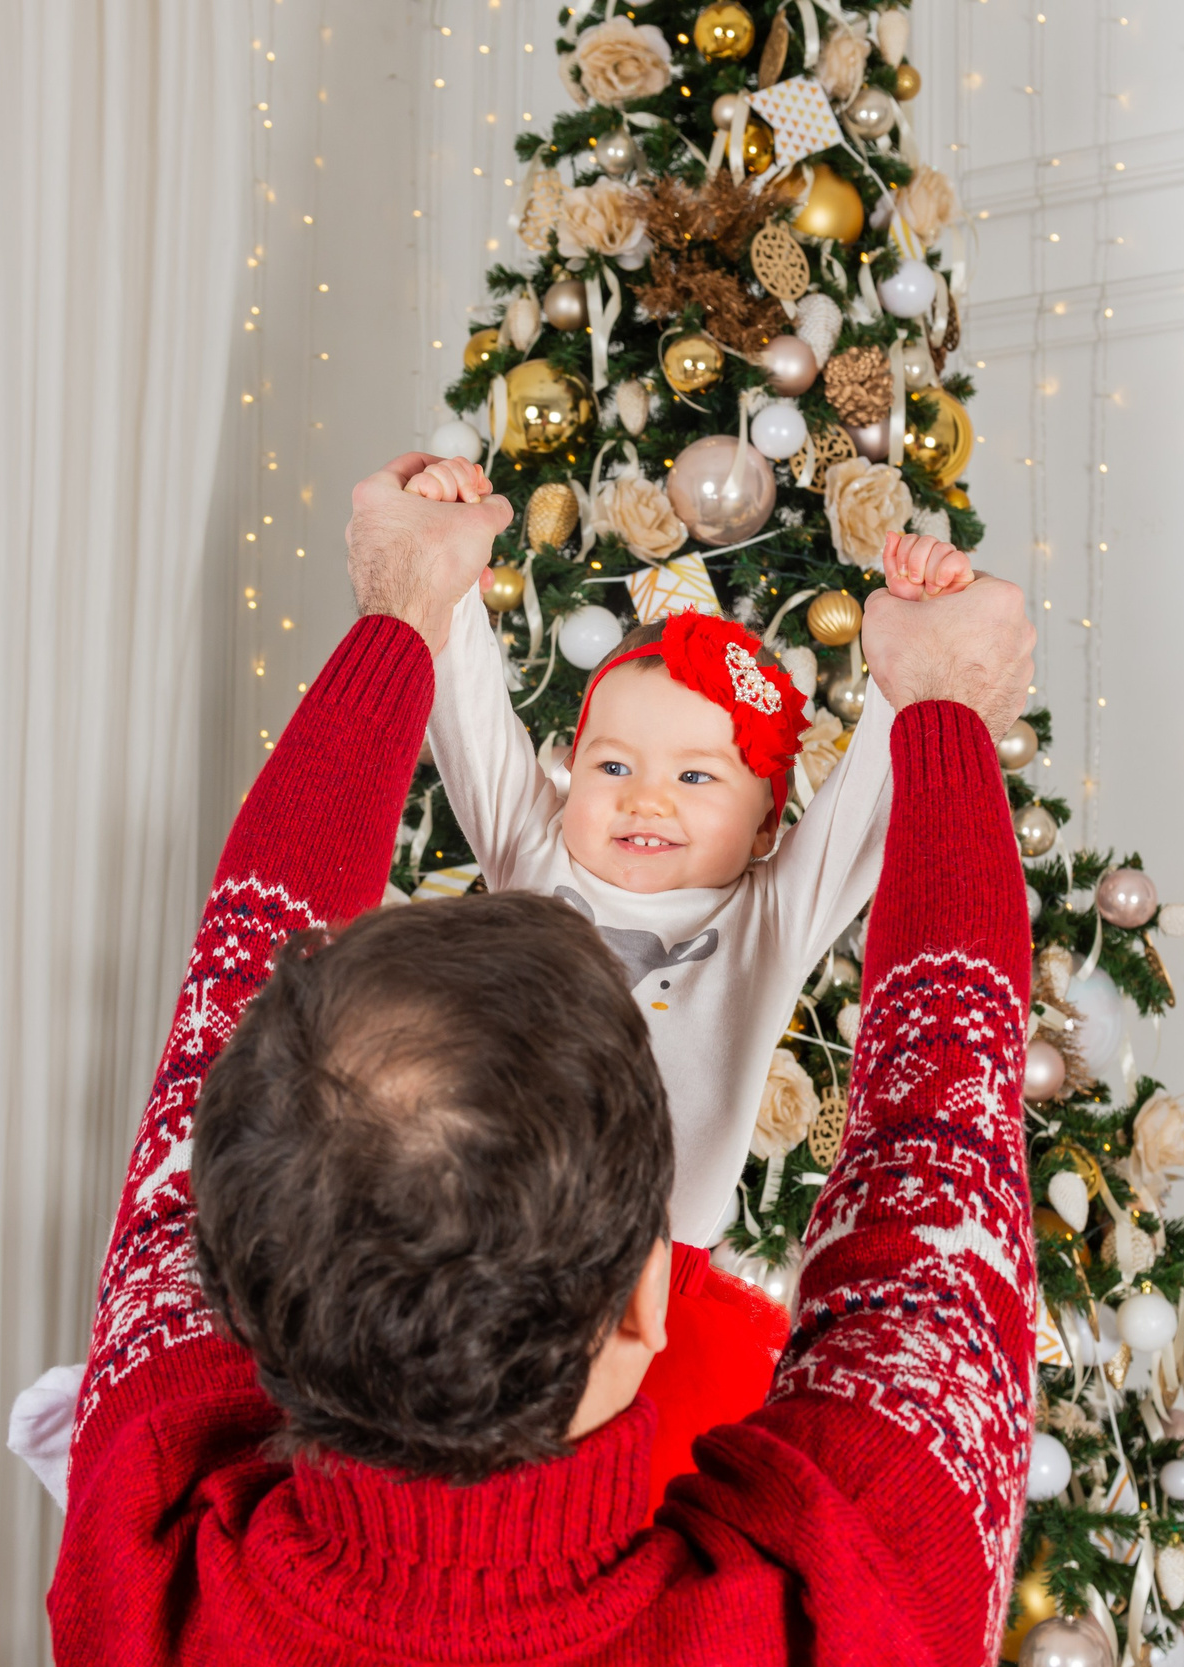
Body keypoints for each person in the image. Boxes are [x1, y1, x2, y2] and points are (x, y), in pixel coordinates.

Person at [47, 452, 1038, 1667]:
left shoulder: (143, 1586)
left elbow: (235, 987)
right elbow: (936, 1218)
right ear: (641, 1302)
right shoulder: (836, 1625)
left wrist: (406, 605)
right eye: (616, 765)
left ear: (244, 1260)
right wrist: (944, 707)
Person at [397, 455, 982, 1494]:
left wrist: (915, 645)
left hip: (663, 1306)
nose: (644, 800)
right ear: (569, 776)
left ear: (767, 825)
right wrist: (445, 556)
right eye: (613, 766)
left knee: (649, 1546)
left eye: (696, 776)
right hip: (480, 1257)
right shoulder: (532, 856)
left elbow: (868, 804)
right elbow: (468, 706)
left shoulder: (766, 913)